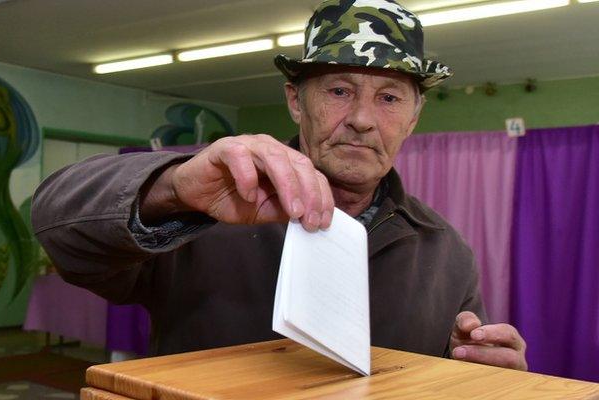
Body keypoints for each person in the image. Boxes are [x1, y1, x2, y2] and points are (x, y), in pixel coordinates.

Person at [32, 0, 527, 371]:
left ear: (413, 118)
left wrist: (482, 370)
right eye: (338, 91)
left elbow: (452, 368)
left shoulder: (445, 249)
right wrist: (173, 187)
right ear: (295, 101)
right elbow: (57, 223)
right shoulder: (205, 212)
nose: (360, 119)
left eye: (390, 98)